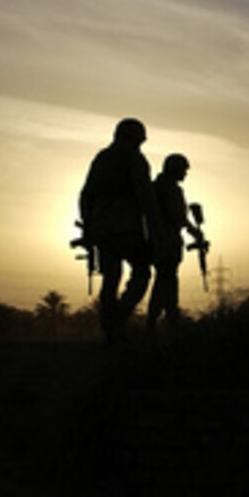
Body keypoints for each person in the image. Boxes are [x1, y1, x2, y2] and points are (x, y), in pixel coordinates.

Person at [79, 118, 160, 343]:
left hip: (101, 228)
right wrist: (155, 232)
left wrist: (88, 227)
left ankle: (110, 329)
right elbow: (146, 199)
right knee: (142, 273)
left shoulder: (102, 158)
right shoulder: (135, 159)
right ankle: (118, 318)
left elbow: (86, 195)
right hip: (126, 228)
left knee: (110, 278)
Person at [146, 154, 205, 331]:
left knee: (162, 282)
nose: (185, 173)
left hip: (157, 241)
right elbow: (177, 217)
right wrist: (194, 232)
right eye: (183, 170)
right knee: (167, 282)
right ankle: (168, 321)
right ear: (174, 169)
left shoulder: (155, 187)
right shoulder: (169, 189)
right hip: (167, 242)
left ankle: (156, 322)